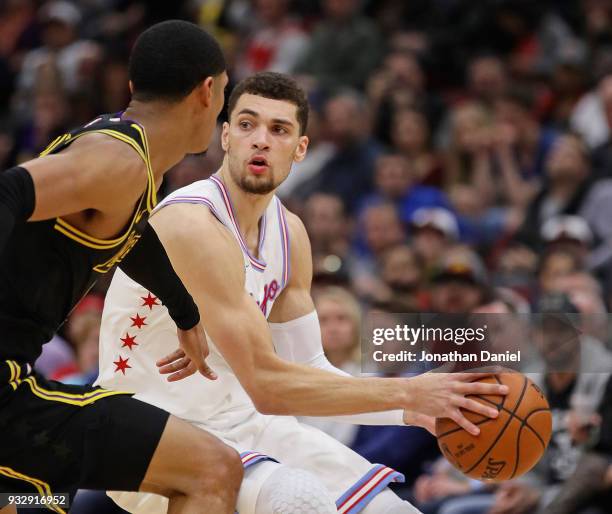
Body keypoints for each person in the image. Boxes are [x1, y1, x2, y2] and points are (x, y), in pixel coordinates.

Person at [95, 72, 509, 514]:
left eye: (279, 130)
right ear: (226, 136)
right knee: (298, 499)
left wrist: (413, 413)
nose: (261, 140)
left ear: (301, 148)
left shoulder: (290, 233)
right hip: (152, 428)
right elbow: (268, 384)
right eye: (248, 124)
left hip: (246, 424)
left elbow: (308, 368)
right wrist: (408, 394)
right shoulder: (193, 223)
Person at [0, 20, 243, 514]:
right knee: (213, 470)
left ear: (133, 88)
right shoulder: (118, 160)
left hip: (16, 388)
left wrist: (184, 312)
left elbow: (131, 235)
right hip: (6, 392)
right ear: (209, 91)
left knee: (36, 502)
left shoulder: (126, 162)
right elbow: (7, 192)